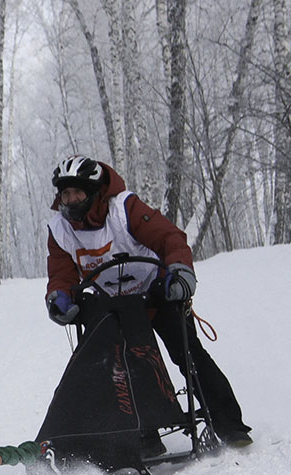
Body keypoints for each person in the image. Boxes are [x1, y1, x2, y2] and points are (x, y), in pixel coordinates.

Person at [43, 155, 252, 447]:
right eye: (65, 193)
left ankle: (230, 425)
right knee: (122, 368)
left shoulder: (124, 209)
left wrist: (179, 271)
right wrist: (59, 298)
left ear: (93, 191)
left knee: (188, 355)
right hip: (113, 306)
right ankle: (145, 437)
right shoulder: (60, 231)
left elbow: (169, 238)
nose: (71, 198)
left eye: (77, 191)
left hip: (156, 293)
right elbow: (61, 274)